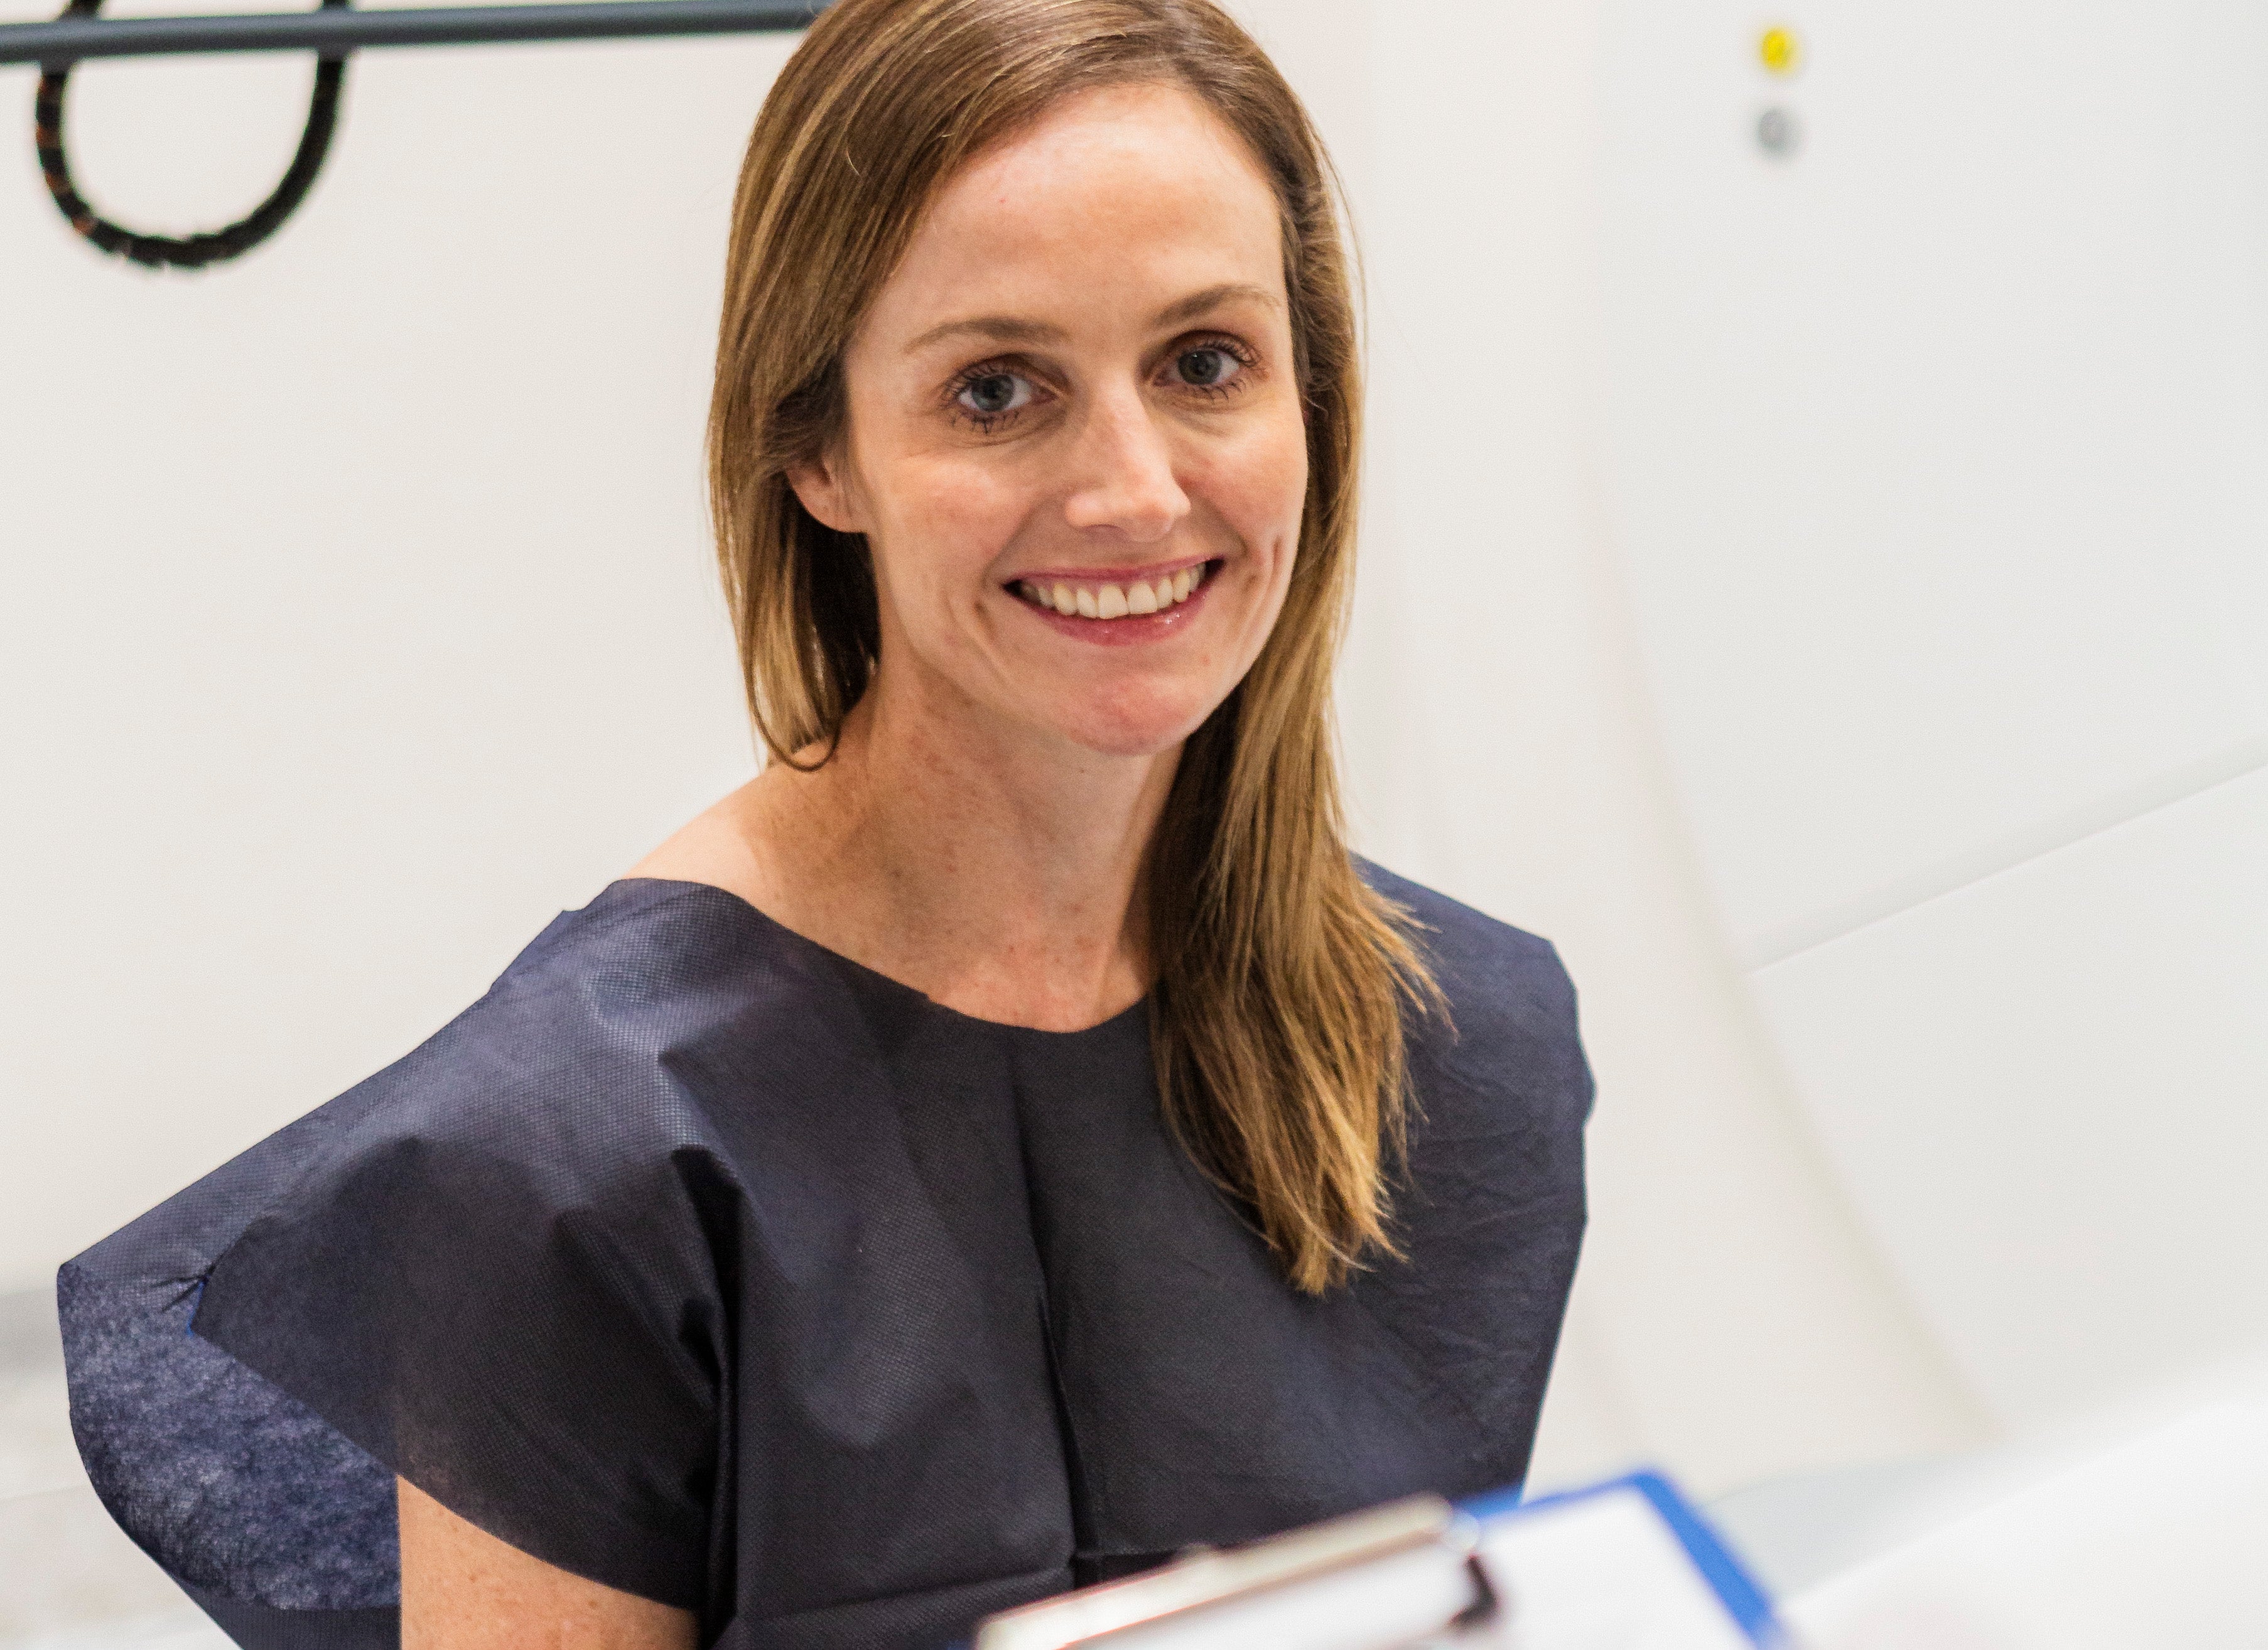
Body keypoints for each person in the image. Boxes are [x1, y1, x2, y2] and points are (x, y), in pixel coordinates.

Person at [59, 1, 1592, 1646]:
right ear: (817, 449)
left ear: (1314, 395)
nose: (1135, 487)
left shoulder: (1458, 1053)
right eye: (998, 389)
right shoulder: (574, 1154)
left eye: (1204, 362)